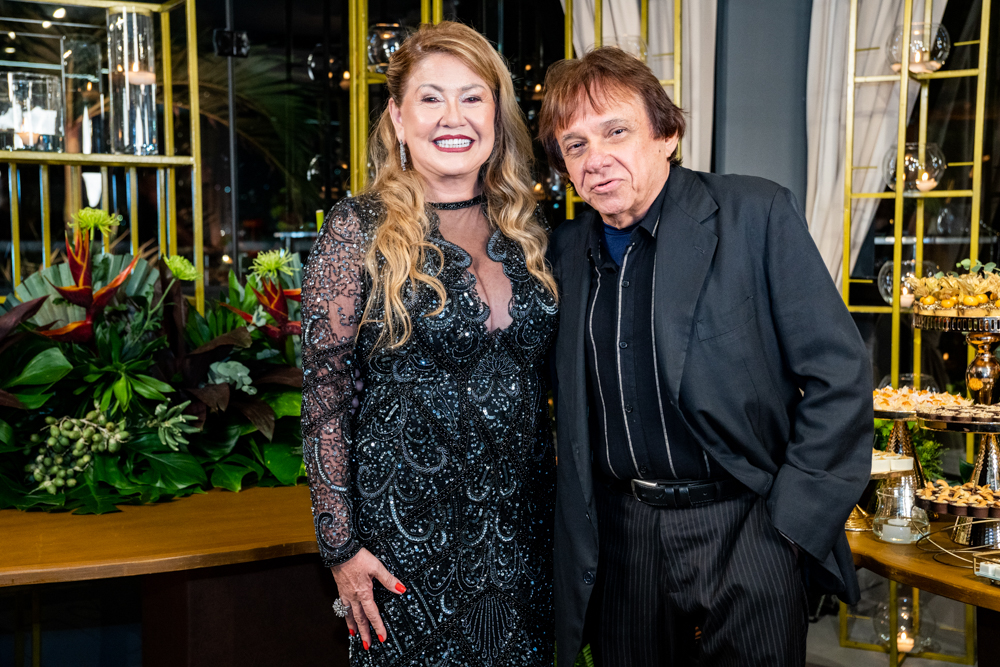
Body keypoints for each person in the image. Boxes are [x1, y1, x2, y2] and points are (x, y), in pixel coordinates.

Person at [539, 47, 873, 666]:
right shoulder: (561, 253)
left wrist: (789, 528)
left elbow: (840, 376)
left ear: (666, 134)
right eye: (575, 145)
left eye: (616, 131)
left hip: (746, 526)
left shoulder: (755, 215)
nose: (596, 158)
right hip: (623, 538)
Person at [301, 21, 559, 667]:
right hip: (404, 541)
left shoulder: (528, 229)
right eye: (431, 98)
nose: (453, 117)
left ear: (496, 114)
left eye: (472, 97)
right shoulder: (357, 227)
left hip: (521, 536)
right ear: (397, 116)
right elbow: (325, 397)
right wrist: (340, 547)